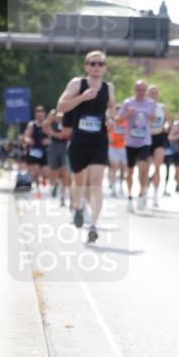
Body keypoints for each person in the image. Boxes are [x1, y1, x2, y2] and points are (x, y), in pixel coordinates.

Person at [57, 50, 115, 243]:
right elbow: (61, 107)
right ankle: (79, 206)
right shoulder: (77, 84)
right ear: (86, 66)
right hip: (79, 140)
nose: (96, 67)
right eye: (92, 63)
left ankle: (93, 225)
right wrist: (82, 98)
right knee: (80, 182)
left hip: (99, 139)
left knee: (96, 183)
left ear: (105, 67)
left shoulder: (109, 87)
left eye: (100, 64)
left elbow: (111, 108)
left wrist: (111, 119)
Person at [116, 80, 156, 211]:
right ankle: (129, 197)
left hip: (144, 141)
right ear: (134, 90)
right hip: (130, 142)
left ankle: (142, 193)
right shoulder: (128, 103)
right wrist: (128, 114)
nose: (141, 93)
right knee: (130, 171)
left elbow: (153, 120)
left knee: (143, 168)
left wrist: (151, 116)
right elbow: (117, 120)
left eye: (143, 90)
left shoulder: (150, 103)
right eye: (138, 90)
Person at [147, 84, 171, 207]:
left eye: (155, 93)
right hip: (146, 138)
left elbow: (168, 120)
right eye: (151, 93)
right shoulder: (143, 106)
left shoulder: (162, 107)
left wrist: (167, 126)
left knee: (157, 167)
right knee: (145, 168)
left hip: (159, 138)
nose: (154, 95)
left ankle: (155, 195)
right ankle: (144, 190)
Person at [43, 109, 70, 205]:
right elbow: (45, 128)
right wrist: (49, 117)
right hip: (53, 147)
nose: (60, 118)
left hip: (65, 148)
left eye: (62, 116)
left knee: (64, 172)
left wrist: (53, 134)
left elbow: (64, 135)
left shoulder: (67, 122)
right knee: (53, 172)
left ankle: (62, 196)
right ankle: (55, 185)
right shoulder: (52, 123)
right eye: (58, 116)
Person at [22, 105, 50, 192]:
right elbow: (26, 136)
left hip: (45, 151)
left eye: (41, 113)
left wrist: (49, 140)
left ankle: (45, 184)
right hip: (35, 150)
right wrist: (28, 140)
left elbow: (53, 136)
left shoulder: (48, 124)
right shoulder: (32, 125)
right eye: (38, 113)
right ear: (35, 115)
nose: (40, 115)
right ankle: (37, 189)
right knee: (36, 171)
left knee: (46, 173)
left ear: (44, 114)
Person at [107, 104, 127, 196]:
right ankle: (113, 187)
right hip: (113, 147)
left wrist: (126, 138)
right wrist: (109, 138)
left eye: (120, 109)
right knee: (114, 166)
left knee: (123, 169)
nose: (118, 111)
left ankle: (121, 186)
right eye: (117, 109)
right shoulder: (111, 122)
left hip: (123, 148)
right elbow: (106, 132)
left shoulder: (127, 122)